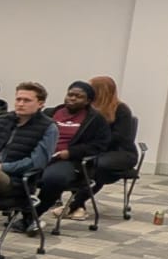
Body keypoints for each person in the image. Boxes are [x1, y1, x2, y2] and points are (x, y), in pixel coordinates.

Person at [36, 80, 112, 216]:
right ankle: (19, 209)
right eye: (70, 94)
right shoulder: (50, 113)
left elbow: (99, 145)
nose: (72, 98)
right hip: (41, 155)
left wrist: (71, 152)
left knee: (53, 179)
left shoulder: (95, 119)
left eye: (78, 96)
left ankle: (35, 214)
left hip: (68, 161)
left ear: (88, 101)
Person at [0, 82, 56, 201]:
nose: (20, 104)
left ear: (40, 104)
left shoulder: (48, 127)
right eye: (18, 99)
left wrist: (3, 167)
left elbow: (36, 163)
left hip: (16, 180)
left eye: (26, 100)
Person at [87, 75, 138, 194]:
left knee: (97, 166)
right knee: (85, 164)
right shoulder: (88, 109)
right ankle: (76, 203)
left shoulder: (121, 109)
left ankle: (77, 203)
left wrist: (96, 142)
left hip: (121, 152)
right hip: (97, 150)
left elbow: (120, 136)